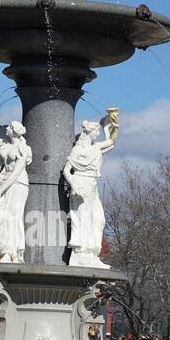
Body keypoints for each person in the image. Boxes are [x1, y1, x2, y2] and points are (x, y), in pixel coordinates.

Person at [62, 109, 119, 267]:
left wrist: (112, 125)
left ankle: (93, 254)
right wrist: (74, 185)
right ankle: (82, 255)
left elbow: (111, 142)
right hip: (81, 185)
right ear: (89, 133)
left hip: (92, 187)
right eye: (97, 132)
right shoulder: (78, 150)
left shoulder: (95, 148)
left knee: (99, 220)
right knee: (84, 219)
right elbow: (67, 170)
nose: (97, 135)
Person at [0, 103, 31, 262]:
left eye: (10, 127)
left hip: (17, 184)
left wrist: (1, 191)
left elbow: (16, 172)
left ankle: (11, 252)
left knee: (11, 217)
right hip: (1, 184)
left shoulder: (24, 149)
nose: (7, 128)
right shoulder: (3, 144)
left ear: (15, 132)